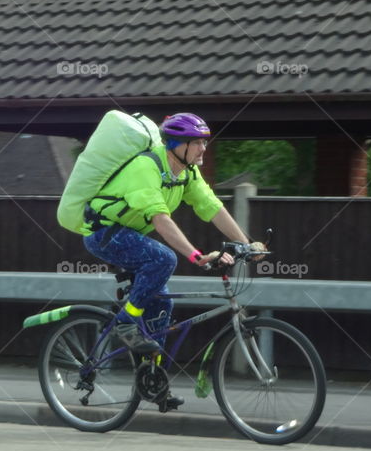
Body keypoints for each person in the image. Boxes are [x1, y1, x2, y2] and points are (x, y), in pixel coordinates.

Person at [81, 112, 261, 409]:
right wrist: (197, 256)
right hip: (104, 233)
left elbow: (212, 207)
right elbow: (161, 220)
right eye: (197, 142)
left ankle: (154, 383)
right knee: (164, 259)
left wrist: (246, 243)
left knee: (162, 306)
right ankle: (125, 323)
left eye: (205, 142)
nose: (204, 148)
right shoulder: (146, 167)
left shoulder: (186, 173)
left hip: (131, 235)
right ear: (178, 144)